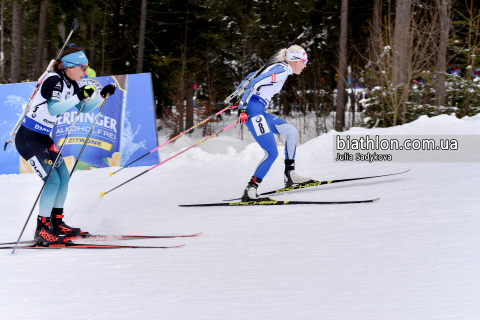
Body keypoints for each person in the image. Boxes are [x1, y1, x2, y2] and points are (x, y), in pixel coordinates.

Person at [15, 46, 117, 245]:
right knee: (52, 179)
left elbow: (83, 107)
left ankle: (56, 223)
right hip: (29, 137)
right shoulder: (54, 80)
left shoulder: (71, 84)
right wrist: (79, 96)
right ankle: (42, 229)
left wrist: (101, 96)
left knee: (63, 176)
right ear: (70, 67)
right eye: (83, 67)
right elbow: (53, 109)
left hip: (44, 137)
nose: (86, 72)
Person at [235, 45, 312, 201]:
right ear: (296, 61)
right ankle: (250, 190)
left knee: (291, 132)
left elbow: (251, 76)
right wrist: (242, 106)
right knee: (271, 152)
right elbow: (255, 82)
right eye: (304, 61)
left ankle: (290, 175)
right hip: (253, 112)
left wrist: (237, 95)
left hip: (258, 111)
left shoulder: (280, 68)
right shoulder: (281, 70)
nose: (305, 65)